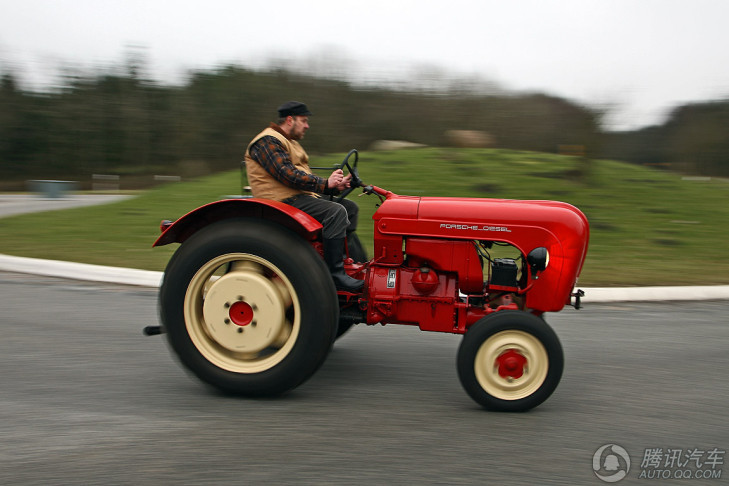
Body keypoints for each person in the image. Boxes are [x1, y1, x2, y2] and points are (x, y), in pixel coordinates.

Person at [244, 101, 364, 292]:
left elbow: (302, 178)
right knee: (336, 213)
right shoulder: (266, 140)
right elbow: (287, 174)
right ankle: (335, 275)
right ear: (290, 120)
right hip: (279, 203)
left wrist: (335, 186)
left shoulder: (290, 142)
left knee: (350, 209)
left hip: (297, 197)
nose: (307, 126)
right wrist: (325, 184)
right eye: (304, 121)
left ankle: (349, 262)